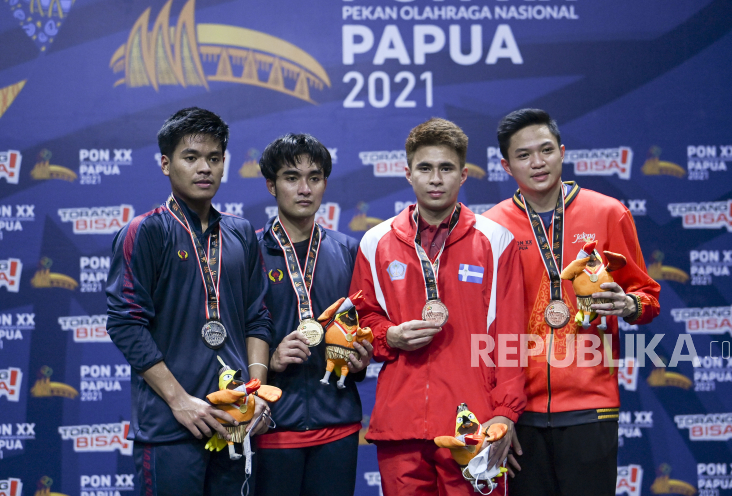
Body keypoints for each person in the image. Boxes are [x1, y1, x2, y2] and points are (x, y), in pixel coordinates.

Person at [483, 108, 661, 496]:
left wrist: (629, 305)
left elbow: (649, 300)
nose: (538, 162)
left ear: (562, 151)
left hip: (590, 406)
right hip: (519, 413)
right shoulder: (491, 228)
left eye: (546, 150)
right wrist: (498, 413)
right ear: (505, 165)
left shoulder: (608, 212)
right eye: (524, 155)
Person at [349, 117, 526, 496]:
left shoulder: (496, 241)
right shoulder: (376, 241)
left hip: (473, 425)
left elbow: (511, 334)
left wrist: (504, 413)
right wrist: (389, 335)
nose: (435, 178)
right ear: (407, 173)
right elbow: (363, 318)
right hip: (401, 425)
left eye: (446, 168)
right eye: (425, 168)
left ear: (463, 175)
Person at [106, 107, 272, 495]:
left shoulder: (241, 232)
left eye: (214, 159)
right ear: (166, 164)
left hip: (235, 424)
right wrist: (180, 401)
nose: (205, 168)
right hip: (171, 425)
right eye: (191, 157)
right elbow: (125, 323)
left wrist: (258, 393)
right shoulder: (145, 231)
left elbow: (257, 319)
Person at [254, 133, 372, 496]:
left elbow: (365, 328)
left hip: (337, 424)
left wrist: (362, 359)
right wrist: (270, 359)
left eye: (315, 178)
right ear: (272, 185)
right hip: (271, 424)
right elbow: (234, 330)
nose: (304, 188)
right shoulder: (249, 252)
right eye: (292, 178)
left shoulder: (350, 250)